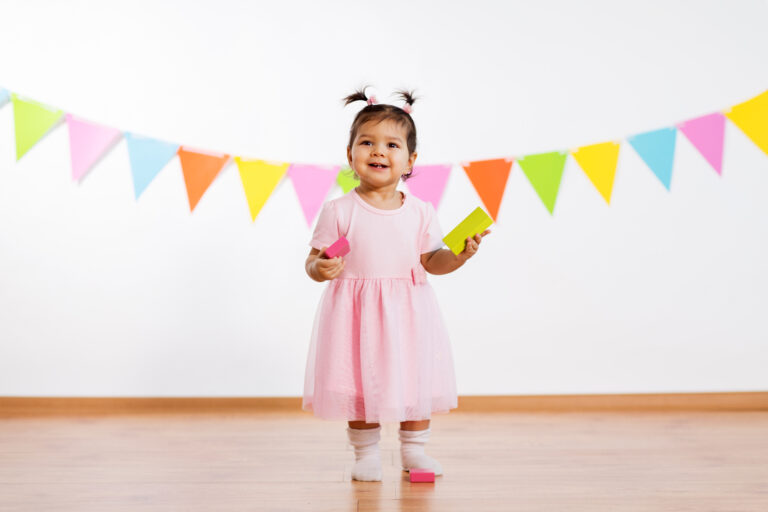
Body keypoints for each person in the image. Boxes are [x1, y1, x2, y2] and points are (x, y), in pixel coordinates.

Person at [303, 87, 490, 482]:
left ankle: (414, 451)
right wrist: (321, 269)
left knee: (413, 379)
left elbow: (432, 262)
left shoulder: (421, 212)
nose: (378, 151)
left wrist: (459, 256)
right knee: (359, 383)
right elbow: (314, 260)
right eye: (366, 142)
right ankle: (366, 453)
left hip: (408, 311)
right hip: (355, 313)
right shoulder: (339, 210)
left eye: (391, 144)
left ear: (410, 160)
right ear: (350, 153)